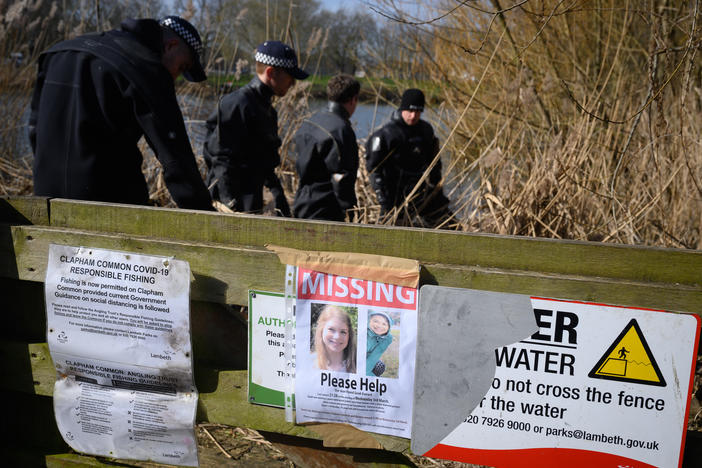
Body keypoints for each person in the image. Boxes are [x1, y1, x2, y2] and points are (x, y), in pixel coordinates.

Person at [29, 16, 213, 210]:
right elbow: (176, 159)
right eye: (182, 67)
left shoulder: (60, 52)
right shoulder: (147, 69)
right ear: (170, 46)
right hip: (109, 206)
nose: (176, 77)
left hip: (46, 198)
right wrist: (206, 217)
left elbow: (35, 129)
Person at [203, 40, 309, 216]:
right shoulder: (237, 104)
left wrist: (277, 193)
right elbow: (220, 158)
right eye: (290, 77)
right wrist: (229, 203)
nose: (293, 84)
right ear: (271, 72)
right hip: (228, 204)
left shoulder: (267, 110)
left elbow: (265, 160)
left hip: (251, 199)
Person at [365, 88, 452, 226]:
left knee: (449, 224)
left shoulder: (425, 130)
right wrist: (384, 201)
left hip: (421, 192)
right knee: (391, 234)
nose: (413, 116)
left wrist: (436, 191)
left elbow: (435, 164)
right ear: (402, 109)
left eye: (418, 111)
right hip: (394, 196)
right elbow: (374, 169)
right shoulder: (385, 135)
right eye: (410, 111)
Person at [292, 74, 360, 221]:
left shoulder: (308, 122)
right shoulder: (342, 130)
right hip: (327, 210)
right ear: (354, 99)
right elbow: (343, 179)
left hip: (301, 202)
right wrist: (350, 212)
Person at [312, 305, 357, 373]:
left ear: (349, 335)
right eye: (331, 329)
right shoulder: (309, 363)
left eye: (343, 332)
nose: (337, 337)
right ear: (321, 330)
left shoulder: (357, 366)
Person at [366, 311, 393, 377]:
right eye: (376, 321)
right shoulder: (364, 332)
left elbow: (374, 357)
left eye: (384, 324)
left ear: (389, 327)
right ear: (369, 321)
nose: (379, 326)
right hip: (353, 358)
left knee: (380, 366)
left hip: (367, 359)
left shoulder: (387, 338)